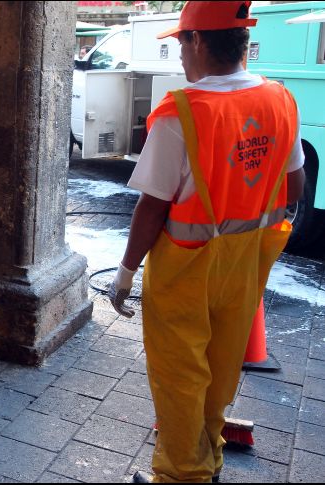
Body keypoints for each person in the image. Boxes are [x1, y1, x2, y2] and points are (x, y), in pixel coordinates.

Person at [106, 2, 306, 483]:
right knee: (220, 367)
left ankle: (182, 476)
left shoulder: (182, 113)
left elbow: (152, 208)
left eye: (181, 42)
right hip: (247, 261)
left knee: (180, 376)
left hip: (185, 268)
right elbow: (294, 185)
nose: (179, 54)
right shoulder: (280, 100)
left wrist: (126, 273)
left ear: (197, 41)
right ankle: (208, 456)